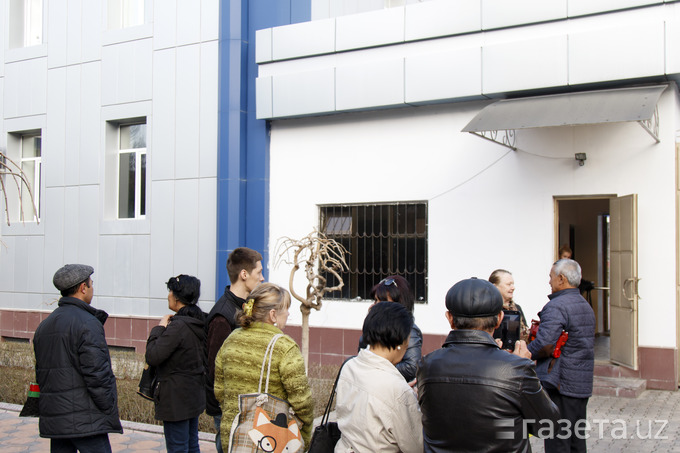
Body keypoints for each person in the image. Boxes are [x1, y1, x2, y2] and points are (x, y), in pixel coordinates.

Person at [417, 278, 559, 453]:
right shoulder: (516, 369)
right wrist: (525, 366)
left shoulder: (427, 364)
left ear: (450, 318)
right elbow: (549, 426)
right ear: (499, 318)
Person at [33, 264, 123, 453]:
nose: (92, 288)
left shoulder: (44, 326)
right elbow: (98, 374)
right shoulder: (88, 323)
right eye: (91, 284)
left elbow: (42, 375)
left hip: (57, 420)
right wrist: (108, 407)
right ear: (83, 288)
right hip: (86, 421)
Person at [214, 283, 313, 449]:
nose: (288, 313)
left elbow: (219, 391)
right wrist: (305, 432)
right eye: (286, 309)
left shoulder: (231, 340)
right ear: (273, 315)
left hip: (235, 437)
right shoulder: (285, 347)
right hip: (271, 440)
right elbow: (302, 402)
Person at [336, 302, 423, 453]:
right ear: (401, 341)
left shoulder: (349, 366)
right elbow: (416, 446)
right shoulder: (397, 390)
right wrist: (410, 400)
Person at [528, 259, 595, 453]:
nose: (549, 282)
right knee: (576, 441)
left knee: (558, 442)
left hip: (562, 383)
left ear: (561, 279)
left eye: (551, 277)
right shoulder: (585, 305)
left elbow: (544, 343)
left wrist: (523, 353)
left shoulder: (557, 306)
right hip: (581, 383)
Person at [205, 247, 264, 452]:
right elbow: (215, 370)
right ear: (244, 274)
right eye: (259, 272)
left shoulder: (246, 305)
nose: (262, 278)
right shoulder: (223, 316)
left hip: (244, 405)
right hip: (229, 409)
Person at [146, 275, 207, 453]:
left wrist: (159, 327)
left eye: (170, 291)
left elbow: (153, 356)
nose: (168, 295)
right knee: (192, 444)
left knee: (178, 447)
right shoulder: (199, 321)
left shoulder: (177, 327)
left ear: (177, 297)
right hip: (194, 394)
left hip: (176, 398)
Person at [359, 275, 423, 382]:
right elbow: (362, 351)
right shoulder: (376, 324)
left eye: (383, 301)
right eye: (376, 300)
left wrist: (377, 369)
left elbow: (411, 367)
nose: (377, 305)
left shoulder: (410, 330)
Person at [488, 269, 529, 340]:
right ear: (495, 287)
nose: (513, 288)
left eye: (513, 284)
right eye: (509, 284)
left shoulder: (517, 308)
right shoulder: (488, 308)